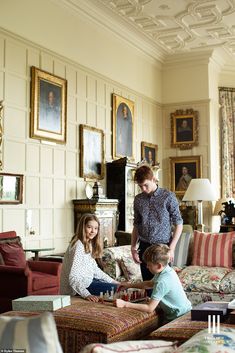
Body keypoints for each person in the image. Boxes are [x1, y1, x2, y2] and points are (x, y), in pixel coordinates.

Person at [115, 244, 192, 324]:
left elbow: (149, 308)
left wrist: (125, 304)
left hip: (179, 318)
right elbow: (149, 284)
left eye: (149, 265)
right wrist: (129, 285)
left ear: (159, 266)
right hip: (185, 311)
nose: (147, 267)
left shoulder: (162, 281)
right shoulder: (167, 270)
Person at [131, 165, 183, 281]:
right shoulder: (138, 199)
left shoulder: (168, 197)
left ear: (153, 179)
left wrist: (171, 248)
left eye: (146, 185)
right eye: (140, 186)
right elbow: (136, 224)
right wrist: (133, 248)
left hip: (162, 248)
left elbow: (179, 224)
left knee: (163, 285)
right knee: (148, 285)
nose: (143, 189)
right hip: (144, 246)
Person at [60, 213, 120, 302]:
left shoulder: (88, 243)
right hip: (78, 288)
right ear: (82, 227)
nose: (93, 231)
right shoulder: (78, 245)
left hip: (88, 280)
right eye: (89, 227)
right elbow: (73, 277)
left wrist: (114, 281)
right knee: (118, 289)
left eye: (96, 228)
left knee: (118, 286)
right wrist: (86, 294)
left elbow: (94, 269)